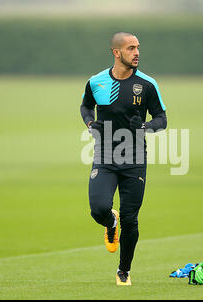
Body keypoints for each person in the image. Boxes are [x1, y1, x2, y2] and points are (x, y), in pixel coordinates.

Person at [80, 32, 167, 285]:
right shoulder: (96, 82)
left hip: (135, 157)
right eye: (131, 48)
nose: (137, 52)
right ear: (116, 53)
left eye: (138, 47)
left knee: (132, 218)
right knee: (98, 209)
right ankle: (110, 221)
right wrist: (89, 123)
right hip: (105, 155)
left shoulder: (148, 84)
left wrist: (145, 127)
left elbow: (162, 119)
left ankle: (123, 270)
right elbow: (85, 106)